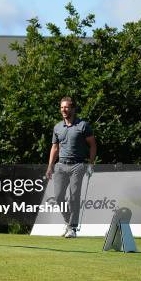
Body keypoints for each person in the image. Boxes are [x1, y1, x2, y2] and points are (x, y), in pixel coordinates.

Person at [46, 97, 96, 238]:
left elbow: (93, 145)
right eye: (62, 107)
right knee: (58, 197)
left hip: (77, 165)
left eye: (67, 107)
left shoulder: (83, 125)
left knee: (74, 197)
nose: (64, 110)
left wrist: (91, 163)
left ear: (73, 109)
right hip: (60, 165)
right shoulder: (57, 127)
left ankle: (73, 228)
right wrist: (50, 166)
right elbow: (54, 148)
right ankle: (69, 222)